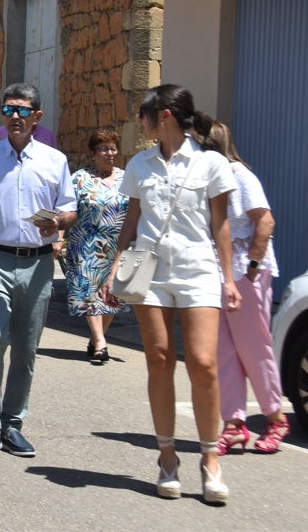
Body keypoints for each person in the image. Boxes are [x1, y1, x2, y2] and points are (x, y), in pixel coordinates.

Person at [115, 84, 238, 505]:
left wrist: (229, 278)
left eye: (144, 113)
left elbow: (220, 226)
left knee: (203, 364)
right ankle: (167, 456)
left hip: (197, 269)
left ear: (164, 115)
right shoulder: (139, 164)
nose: (140, 121)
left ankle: (210, 459)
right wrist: (115, 263)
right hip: (149, 269)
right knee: (160, 358)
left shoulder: (211, 164)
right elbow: (132, 220)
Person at [0, 82, 75, 463]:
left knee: (25, 347)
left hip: (39, 262)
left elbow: (69, 210)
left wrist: (58, 221)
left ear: (37, 117)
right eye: (9, 110)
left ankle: (13, 424)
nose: (15, 118)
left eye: (23, 111)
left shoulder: (55, 161)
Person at [208, 122, 288, 455]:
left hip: (245, 270)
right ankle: (234, 424)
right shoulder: (208, 179)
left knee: (254, 347)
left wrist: (253, 266)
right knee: (223, 350)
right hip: (220, 270)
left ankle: (275, 417)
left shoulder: (238, 174)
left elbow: (265, 220)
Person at [63, 128, 128, 365]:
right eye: (103, 148)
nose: (109, 153)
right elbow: (67, 209)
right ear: (93, 153)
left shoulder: (125, 178)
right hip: (86, 244)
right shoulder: (80, 178)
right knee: (89, 293)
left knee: (112, 297)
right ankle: (100, 342)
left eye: (112, 148)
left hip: (118, 245)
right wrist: (60, 235)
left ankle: (96, 339)